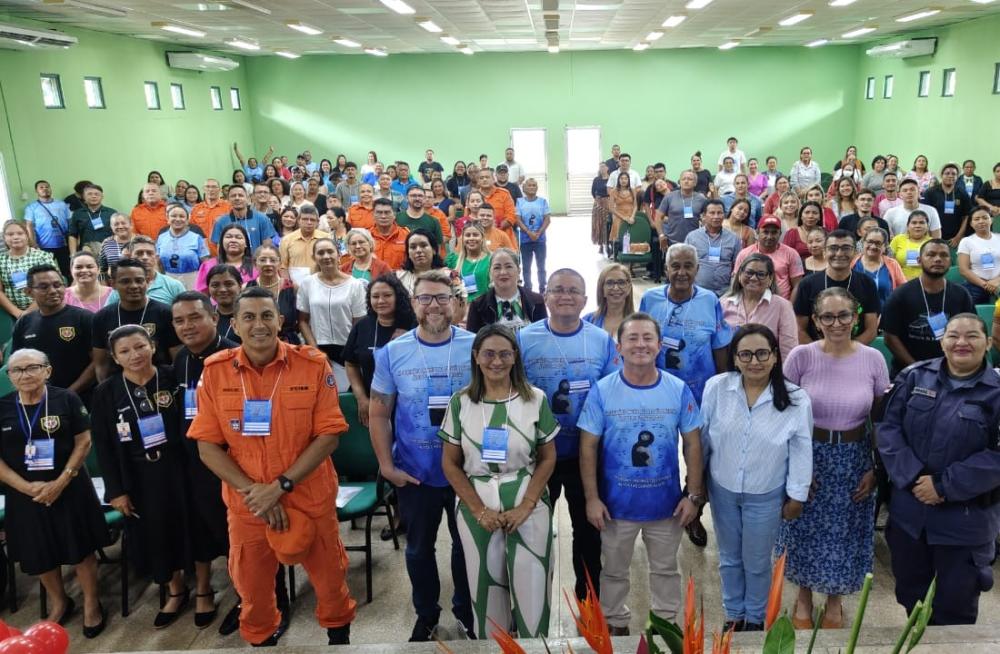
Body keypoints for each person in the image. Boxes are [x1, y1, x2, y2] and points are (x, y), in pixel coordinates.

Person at [187, 286, 356, 645]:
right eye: (248, 317)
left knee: (331, 584)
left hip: (308, 496)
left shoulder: (312, 365)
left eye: (267, 316)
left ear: (280, 321)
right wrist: (256, 494)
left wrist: (279, 487)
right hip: (249, 506)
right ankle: (263, 641)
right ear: (234, 325)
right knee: (253, 593)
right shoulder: (216, 372)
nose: (258, 325)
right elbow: (207, 446)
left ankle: (339, 641)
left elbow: (328, 436)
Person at [579, 312, 704, 634]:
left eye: (647, 337)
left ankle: (667, 625)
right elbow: (588, 447)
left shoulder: (677, 389)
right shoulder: (602, 390)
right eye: (632, 338)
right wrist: (592, 499)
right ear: (618, 347)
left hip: (666, 506)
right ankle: (615, 624)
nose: (640, 344)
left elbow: (693, 444)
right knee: (614, 571)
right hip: (616, 507)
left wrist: (693, 496)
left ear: (659, 345)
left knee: (666, 570)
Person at [369, 270, 475, 641]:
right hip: (415, 473)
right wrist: (387, 466)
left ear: (455, 303)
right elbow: (379, 412)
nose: (434, 305)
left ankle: (466, 610)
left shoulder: (476, 347)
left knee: (466, 549)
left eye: (442, 298)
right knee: (418, 551)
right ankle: (427, 614)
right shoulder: (392, 353)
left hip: (468, 473)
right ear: (413, 304)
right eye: (425, 298)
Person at [877, 313, 1000, 625]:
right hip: (910, 519)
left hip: (964, 526)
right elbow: (887, 428)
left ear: (987, 343)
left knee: (954, 611)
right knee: (911, 600)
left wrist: (943, 485)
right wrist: (916, 478)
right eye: (953, 335)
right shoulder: (914, 377)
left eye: (972, 336)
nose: (961, 342)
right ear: (942, 341)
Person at [779, 287, 889, 630]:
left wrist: (876, 468)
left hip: (854, 457)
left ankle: (835, 600)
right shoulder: (801, 356)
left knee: (845, 531)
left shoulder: (873, 358)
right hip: (808, 452)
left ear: (856, 318)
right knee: (804, 528)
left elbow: (880, 418)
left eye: (844, 315)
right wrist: (795, 468)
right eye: (827, 316)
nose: (836, 323)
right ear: (816, 320)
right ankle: (803, 596)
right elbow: (782, 415)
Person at [440, 323, 558, 638]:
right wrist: (479, 510)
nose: (497, 361)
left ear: (515, 357)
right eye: (489, 354)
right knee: (485, 592)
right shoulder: (460, 402)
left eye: (505, 354)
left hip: (527, 499)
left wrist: (527, 506)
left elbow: (548, 457)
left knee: (534, 589)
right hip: (476, 503)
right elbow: (450, 465)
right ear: (476, 357)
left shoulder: (535, 399)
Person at [701, 325, 812, 632]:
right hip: (722, 490)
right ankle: (734, 614)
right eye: (745, 354)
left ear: (775, 356)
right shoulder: (716, 388)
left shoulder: (796, 398)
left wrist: (797, 496)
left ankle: (755, 617)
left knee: (757, 560)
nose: (755, 361)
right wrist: (697, 487)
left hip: (766, 494)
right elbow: (703, 439)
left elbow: (802, 449)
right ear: (734, 359)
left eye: (762, 353)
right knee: (728, 557)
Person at [518, 270, 618, 601]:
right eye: (557, 290)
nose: (565, 296)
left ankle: (588, 596)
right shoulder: (524, 339)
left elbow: (610, 396)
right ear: (544, 297)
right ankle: (532, 598)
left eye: (573, 291)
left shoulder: (601, 340)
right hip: (536, 455)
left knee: (588, 532)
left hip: (583, 456)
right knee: (533, 530)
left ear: (585, 300)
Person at [90, 325, 194, 628]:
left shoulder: (172, 377)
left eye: (139, 347)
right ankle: (175, 590)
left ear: (152, 345)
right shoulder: (106, 392)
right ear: (114, 357)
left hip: (178, 467)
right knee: (155, 533)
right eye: (124, 351)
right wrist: (116, 491)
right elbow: (104, 446)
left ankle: (203, 587)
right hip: (137, 474)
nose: (134, 355)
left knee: (187, 525)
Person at [0, 349, 109, 636]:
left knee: (80, 548)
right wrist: (26, 487)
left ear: (47, 371)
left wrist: (62, 480)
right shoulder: (2, 407)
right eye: (17, 370)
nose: (25, 375)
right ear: (9, 376)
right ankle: (60, 602)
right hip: (24, 493)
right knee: (39, 552)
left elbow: (83, 442)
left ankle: (91, 603)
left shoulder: (66, 399)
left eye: (32, 367)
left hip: (70, 486)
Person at [640, 243, 733, 404]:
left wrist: (721, 390)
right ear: (666, 269)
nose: (681, 273)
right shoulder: (650, 299)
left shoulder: (710, 300)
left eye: (688, 266)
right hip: (660, 390)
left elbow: (719, 347)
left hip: (701, 392)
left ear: (697, 269)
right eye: (675, 266)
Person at [882, 239, 977, 376]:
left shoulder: (961, 294)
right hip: (910, 372)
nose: (938, 259)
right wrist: (917, 369)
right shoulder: (900, 295)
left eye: (944, 255)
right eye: (931, 255)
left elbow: (971, 331)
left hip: (953, 371)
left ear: (951, 261)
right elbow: (890, 337)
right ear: (919, 260)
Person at [91, 258, 180, 381]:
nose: (133, 286)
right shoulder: (101, 318)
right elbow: (101, 364)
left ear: (148, 281)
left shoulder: (166, 313)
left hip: (160, 385)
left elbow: (177, 357)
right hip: (120, 388)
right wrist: (106, 392)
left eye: (139, 280)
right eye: (125, 281)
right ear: (113, 284)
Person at [14, 265, 96, 398]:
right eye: (44, 287)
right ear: (29, 292)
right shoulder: (24, 323)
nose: (53, 291)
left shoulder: (84, 318)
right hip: (40, 398)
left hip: (82, 397)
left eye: (58, 285)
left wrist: (69, 393)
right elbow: (18, 365)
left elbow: (98, 362)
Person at [297, 237, 366, 389]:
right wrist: (315, 349)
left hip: (347, 350)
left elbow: (359, 323)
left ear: (338, 254)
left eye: (330, 251)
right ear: (314, 257)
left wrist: (349, 353)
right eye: (321, 253)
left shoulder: (355, 285)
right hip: (317, 348)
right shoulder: (307, 283)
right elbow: (302, 320)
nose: (326, 256)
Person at [792, 230, 880, 344]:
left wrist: (848, 352)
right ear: (824, 252)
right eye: (833, 248)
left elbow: (871, 330)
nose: (839, 253)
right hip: (818, 355)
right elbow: (799, 329)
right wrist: (820, 354)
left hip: (854, 354)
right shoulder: (807, 284)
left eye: (846, 248)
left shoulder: (867, 283)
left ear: (855, 252)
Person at [721, 254, 798, 360]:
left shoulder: (782, 306)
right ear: (739, 275)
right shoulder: (723, 304)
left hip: (766, 372)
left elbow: (788, 350)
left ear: (770, 279)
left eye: (761, 274)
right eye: (749, 273)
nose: (753, 278)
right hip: (730, 370)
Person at [466, 248, 547, 333]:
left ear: (519, 270)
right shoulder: (478, 305)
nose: (503, 272)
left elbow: (544, 337)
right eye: (497, 268)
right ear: (490, 272)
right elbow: (473, 342)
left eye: (508, 266)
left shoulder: (537, 301)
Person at [734, 216, 805, 300]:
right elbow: (737, 280)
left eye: (774, 232)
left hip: (781, 305)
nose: (769, 236)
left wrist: (789, 307)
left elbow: (797, 285)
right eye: (765, 232)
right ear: (757, 232)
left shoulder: (791, 254)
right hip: (751, 302)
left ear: (780, 233)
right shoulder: (745, 254)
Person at [0, 220, 57, 320]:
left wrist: (27, 313)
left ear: (26, 235)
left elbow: (52, 287)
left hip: (45, 310)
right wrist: (17, 313)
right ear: (4, 238)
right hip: (12, 315)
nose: (15, 237)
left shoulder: (42, 256)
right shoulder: (1, 260)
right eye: (10, 234)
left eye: (20, 233)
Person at [684, 199, 741, 295]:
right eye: (712, 213)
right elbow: (685, 263)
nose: (716, 216)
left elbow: (738, 266)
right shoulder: (692, 237)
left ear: (724, 215)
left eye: (719, 213)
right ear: (704, 215)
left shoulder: (733, 238)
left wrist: (732, 290)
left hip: (724, 292)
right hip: (697, 291)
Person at [23, 180, 71, 278]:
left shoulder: (62, 204)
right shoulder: (32, 207)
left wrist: (72, 240)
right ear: (36, 191)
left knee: (68, 271)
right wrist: (32, 243)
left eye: (47, 187)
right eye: (41, 187)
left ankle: (69, 292)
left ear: (50, 189)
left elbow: (70, 222)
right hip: (44, 246)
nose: (45, 189)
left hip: (63, 244)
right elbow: (29, 225)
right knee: (46, 273)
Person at [157, 203, 210, 290]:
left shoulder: (196, 238)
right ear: (168, 218)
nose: (178, 219)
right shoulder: (161, 237)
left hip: (192, 280)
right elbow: (157, 262)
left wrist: (204, 283)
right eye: (173, 216)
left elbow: (206, 263)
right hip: (168, 280)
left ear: (187, 219)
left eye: (182, 216)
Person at [210, 186, 276, 254]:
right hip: (231, 263)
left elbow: (267, 246)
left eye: (241, 195)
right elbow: (220, 249)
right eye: (233, 196)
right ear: (228, 200)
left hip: (255, 262)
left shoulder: (262, 218)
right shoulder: (221, 221)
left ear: (248, 199)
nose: (237, 198)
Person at [196, 224, 258, 293]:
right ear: (221, 242)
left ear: (246, 243)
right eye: (228, 237)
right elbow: (201, 295)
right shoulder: (208, 265)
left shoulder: (256, 265)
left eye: (238, 237)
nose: (233, 240)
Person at [852, 228, 905, 307]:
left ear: (884, 246)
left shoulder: (893, 264)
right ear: (863, 243)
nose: (873, 246)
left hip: (885, 315)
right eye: (870, 242)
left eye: (878, 243)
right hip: (857, 315)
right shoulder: (852, 263)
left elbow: (903, 290)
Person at [956, 207, 1000, 303]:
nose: (981, 221)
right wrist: (985, 285)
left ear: (991, 220)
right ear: (971, 224)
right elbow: (964, 270)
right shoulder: (966, 241)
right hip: (975, 286)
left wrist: (997, 281)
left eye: (985, 218)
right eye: (976, 219)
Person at [656, 170, 708, 249]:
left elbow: (708, 217)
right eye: (683, 179)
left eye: (690, 179)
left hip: (694, 242)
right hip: (672, 242)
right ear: (680, 182)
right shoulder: (669, 197)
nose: (686, 181)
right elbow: (658, 217)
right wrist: (661, 235)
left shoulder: (701, 198)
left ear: (695, 183)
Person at [515, 179, 550, 294]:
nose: (531, 187)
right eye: (529, 185)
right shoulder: (519, 202)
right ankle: (528, 287)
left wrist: (539, 233)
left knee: (541, 265)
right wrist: (528, 232)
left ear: (537, 187)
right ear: (524, 188)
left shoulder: (543, 202)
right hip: (525, 240)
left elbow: (547, 219)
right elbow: (518, 220)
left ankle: (542, 287)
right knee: (526, 266)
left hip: (540, 240)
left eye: (534, 185)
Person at [584, 263, 634, 341]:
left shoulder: (640, 323)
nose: (616, 288)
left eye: (621, 282)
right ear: (602, 288)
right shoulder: (588, 321)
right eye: (610, 283)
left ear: (629, 287)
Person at [445, 223, 491, 302]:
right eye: (468, 235)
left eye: (475, 235)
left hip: (485, 307)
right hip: (461, 309)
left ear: (482, 238)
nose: (471, 238)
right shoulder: (453, 260)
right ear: (462, 238)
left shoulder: (491, 259)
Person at [68, 184, 116, 257]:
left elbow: (117, 234)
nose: (93, 196)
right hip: (85, 251)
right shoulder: (77, 214)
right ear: (84, 197)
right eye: (89, 194)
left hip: (108, 252)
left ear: (102, 196)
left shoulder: (112, 213)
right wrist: (73, 254)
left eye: (97, 194)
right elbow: (73, 235)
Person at [190, 179, 231, 257]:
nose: (211, 189)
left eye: (214, 187)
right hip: (202, 255)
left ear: (220, 190)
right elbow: (192, 231)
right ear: (203, 189)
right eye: (207, 187)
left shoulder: (228, 207)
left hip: (222, 253)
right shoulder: (196, 209)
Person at [889, 210, 933, 281]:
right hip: (900, 282)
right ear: (908, 226)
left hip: (925, 283)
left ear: (927, 226)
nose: (917, 226)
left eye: (921, 223)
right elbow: (889, 262)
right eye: (914, 223)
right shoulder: (898, 239)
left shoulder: (932, 243)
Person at [371, 198, 409, 271]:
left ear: (394, 215)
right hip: (374, 280)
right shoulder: (366, 237)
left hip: (400, 279)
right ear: (373, 215)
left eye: (387, 212)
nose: (383, 216)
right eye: (379, 212)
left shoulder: (406, 235)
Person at [98, 213, 134, 279]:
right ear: (111, 227)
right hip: (113, 284)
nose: (120, 226)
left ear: (131, 224)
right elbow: (102, 269)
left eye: (123, 223)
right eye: (116, 224)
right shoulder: (107, 243)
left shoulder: (141, 241)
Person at [592, 162, 611, 255]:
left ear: (607, 168)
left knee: (607, 224)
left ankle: (608, 244)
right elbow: (592, 191)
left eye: (604, 166)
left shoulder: (611, 178)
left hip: (609, 203)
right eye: (600, 167)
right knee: (598, 224)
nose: (602, 168)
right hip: (598, 203)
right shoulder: (596, 179)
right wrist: (598, 200)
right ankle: (601, 245)